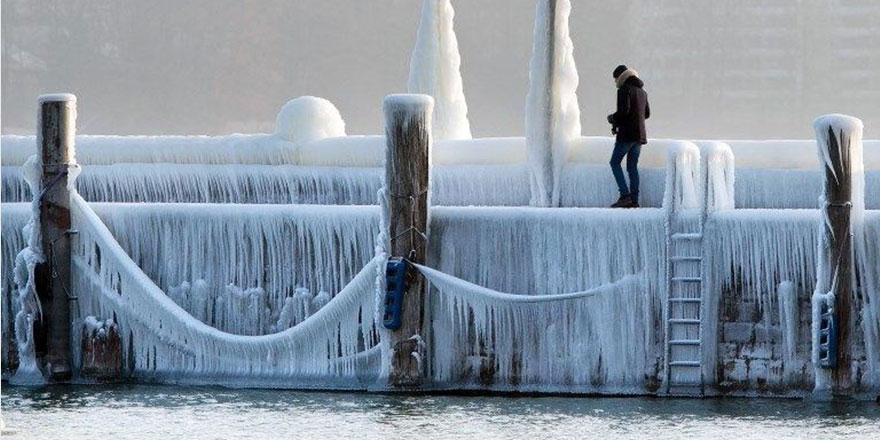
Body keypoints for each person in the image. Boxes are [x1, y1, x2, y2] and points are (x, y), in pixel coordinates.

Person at [607, 64, 650, 208]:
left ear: (620, 77)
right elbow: (647, 114)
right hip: (639, 136)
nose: (615, 83)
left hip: (626, 135)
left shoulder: (624, 90)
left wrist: (612, 118)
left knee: (614, 163)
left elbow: (623, 112)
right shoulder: (642, 92)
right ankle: (634, 200)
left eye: (615, 79)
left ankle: (625, 195)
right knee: (632, 167)